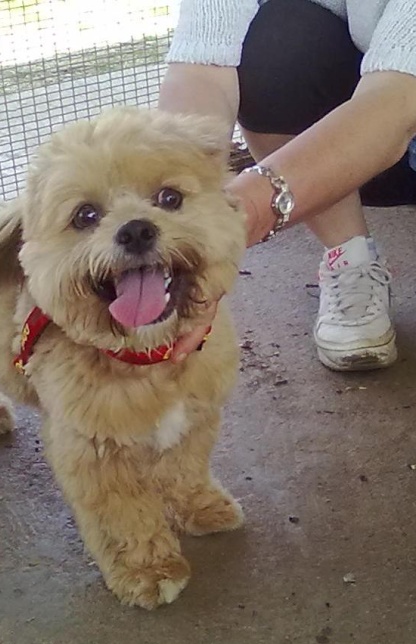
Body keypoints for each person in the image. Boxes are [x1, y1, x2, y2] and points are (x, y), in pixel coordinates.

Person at [159, 0, 416, 371]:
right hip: (373, 124)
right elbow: (203, 67)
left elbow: (398, 101)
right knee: (274, 40)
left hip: (399, 108)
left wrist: (243, 213)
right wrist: (169, 202)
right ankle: (351, 257)